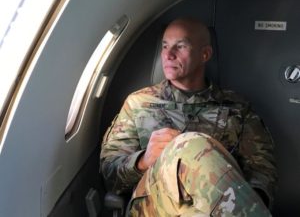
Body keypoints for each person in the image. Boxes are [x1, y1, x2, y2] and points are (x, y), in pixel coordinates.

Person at [100, 17, 277, 216]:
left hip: (215, 209)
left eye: (180, 46)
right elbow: (110, 176)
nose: (168, 55)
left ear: (205, 54)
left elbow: (262, 171)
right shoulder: (138, 103)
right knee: (190, 144)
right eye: (165, 46)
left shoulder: (237, 108)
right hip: (153, 206)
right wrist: (143, 160)